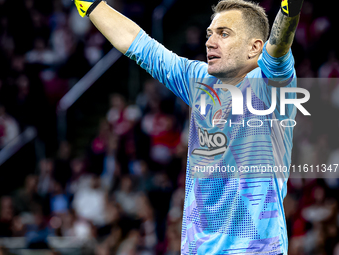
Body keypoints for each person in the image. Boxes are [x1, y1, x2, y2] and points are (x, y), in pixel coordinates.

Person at [73, 0, 303, 254]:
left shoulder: (272, 85)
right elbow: (139, 45)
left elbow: (279, 46)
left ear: (254, 47)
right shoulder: (199, 80)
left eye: (224, 34)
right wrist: (91, 5)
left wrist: (289, 9)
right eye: (209, 34)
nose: (210, 42)